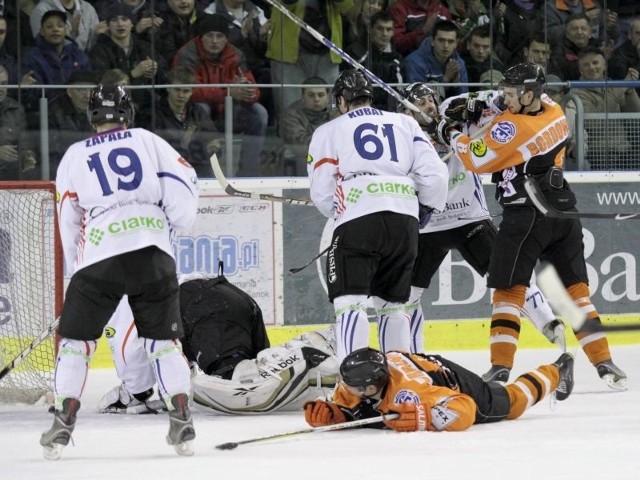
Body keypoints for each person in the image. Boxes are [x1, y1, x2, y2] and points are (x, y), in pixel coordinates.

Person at [425, 62, 627, 390]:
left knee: (508, 291)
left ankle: (500, 368)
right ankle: (606, 364)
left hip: (526, 215)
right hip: (563, 212)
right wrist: (487, 105)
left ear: (530, 94)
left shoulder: (515, 128)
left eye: (511, 93)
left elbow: (474, 158)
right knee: (576, 294)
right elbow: (496, 113)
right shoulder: (554, 110)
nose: (506, 97)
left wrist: (447, 131)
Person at [40, 85, 199, 460]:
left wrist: (79, 270)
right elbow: (183, 182)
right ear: (127, 112)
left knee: (76, 344)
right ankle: (181, 415)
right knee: (164, 344)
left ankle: (63, 420)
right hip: (153, 253)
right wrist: (171, 228)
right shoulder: (147, 139)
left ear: (91, 115)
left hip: (100, 257)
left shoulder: (74, 156)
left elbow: (69, 216)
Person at [399, 82, 567, 358]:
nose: (428, 105)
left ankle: (548, 322)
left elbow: (496, 101)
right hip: (428, 224)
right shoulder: (405, 134)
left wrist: (485, 106)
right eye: (419, 102)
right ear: (408, 111)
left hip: (469, 218)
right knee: (407, 296)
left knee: (508, 275)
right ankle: (413, 358)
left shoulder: (453, 115)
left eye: (430, 99)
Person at [307, 69, 448, 362]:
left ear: (342, 101)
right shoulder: (404, 123)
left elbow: (322, 193)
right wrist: (425, 208)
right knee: (393, 306)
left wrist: (342, 211)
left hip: (359, 221)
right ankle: (400, 380)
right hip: (404, 221)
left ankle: (353, 382)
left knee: (350, 304)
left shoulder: (329, 130)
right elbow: (435, 175)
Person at [99, 270, 338, 414]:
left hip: (205, 308)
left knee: (239, 384)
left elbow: (129, 353)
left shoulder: (122, 300)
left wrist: (132, 394)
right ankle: (320, 371)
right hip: (229, 299)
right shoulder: (147, 281)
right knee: (260, 376)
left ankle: (310, 348)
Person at [304, 347, 575, 432]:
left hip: (452, 382)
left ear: (372, 386)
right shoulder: (360, 379)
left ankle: (556, 370)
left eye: (351, 387)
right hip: (421, 364)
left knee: (511, 403)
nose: (344, 390)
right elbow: (349, 403)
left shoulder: (410, 389)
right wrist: (336, 414)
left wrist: (427, 418)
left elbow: (464, 409)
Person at [173, 13, 268, 177]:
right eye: (210, 36)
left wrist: (247, 92)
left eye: (220, 36)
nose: (215, 41)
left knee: (259, 113)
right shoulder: (187, 54)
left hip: (228, 113)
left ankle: (249, 174)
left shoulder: (235, 55)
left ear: (226, 38)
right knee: (202, 108)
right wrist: (229, 92)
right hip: (197, 116)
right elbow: (191, 92)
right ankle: (203, 172)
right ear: (201, 38)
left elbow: (254, 89)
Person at [266, 0, 353, 122]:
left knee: (333, 112)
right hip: (288, 52)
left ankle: (326, 141)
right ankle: (295, 141)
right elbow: (285, 3)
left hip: (328, 52)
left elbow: (347, 6)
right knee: (290, 113)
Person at [138, 65, 223, 178]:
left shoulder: (198, 112)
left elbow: (213, 143)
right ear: (168, 88)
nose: (181, 95)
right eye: (177, 90)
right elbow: (154, 151)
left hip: (197, 167)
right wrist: (183, 143)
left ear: (192, 92)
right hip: (166, 170)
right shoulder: (153, 114)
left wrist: (213, 148)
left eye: (186, 91)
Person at [88, 3, 168, 111]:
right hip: (112, 107)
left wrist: (155, 72)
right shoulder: (99, 50)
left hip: (145, 108)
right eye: (114, 20)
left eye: (124, 19)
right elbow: (101, 82)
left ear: (132, 24)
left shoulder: (144, 47)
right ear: (108, 25)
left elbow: (164, 79)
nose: (120, 24)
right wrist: (133, 74)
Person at [572, 46, 640, 170]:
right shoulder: (576, 92)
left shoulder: (614, 86)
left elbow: (636, 116)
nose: (592, 67)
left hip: (624, 149)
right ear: (580, 70)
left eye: (595, 63)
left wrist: (630, 90)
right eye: (586, 65)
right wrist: (623, 86)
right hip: (597, 152)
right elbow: (594, 122)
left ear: (604, 66)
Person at [344, 10, 403, 111]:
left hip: (388, 112)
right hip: (359, 108)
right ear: (370, 29)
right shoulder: (354, 52)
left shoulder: (396, 58)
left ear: (393, 32)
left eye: (388, 29)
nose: (384, 34)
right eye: (380, 28)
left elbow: (398, 90)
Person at [47, 70, 97, 178]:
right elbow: (53, 149)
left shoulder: (102, 111)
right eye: (81, 90)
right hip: (64, 168)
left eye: (92, 90)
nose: (87, 96)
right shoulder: (54, 111)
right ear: (69, 92)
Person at [279, 76, 331, 176]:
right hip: (301, 161)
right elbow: (300, 147)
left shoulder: (337, 113)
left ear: (328, 97)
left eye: (321, 95)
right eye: (311, 95)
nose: (316, 99)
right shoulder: (291, 114)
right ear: (302, 97)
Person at [403, 20, 469, 99]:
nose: (446, 46)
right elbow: (418, 98)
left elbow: (465, 98)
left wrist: (456, 85)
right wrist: (446, 79)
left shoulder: (459, 63)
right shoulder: (414, 62)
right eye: (441, 40)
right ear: (432, 41)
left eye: (450, 41)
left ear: (456, 43)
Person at [0, 65, 37, 180]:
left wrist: (28, 156)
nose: (1, 89)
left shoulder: (16, 108)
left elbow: (24, 142)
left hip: (11, 172)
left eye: (4, 84)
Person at [29, 0, 101, 52]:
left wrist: (97, 35)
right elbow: (44, 46)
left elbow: (91, 48)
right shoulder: (41, 10)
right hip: (52, 65)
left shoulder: (88, 8)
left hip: (82, 63)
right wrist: (72, 34)